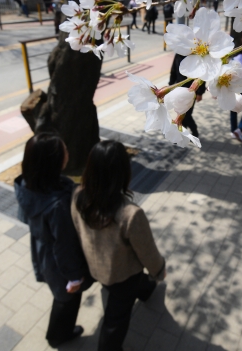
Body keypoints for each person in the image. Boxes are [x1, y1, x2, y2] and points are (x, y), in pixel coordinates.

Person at [71, 140, 166, 351]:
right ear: (123, 172)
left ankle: (148, 289)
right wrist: (159, 270)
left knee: (139, 284)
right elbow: (147, 251)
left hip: (96, 267)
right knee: (116, 319)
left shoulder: (78, 197)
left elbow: (78, 230)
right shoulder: (130, 213)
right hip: (122, 274)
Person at [14, 133, 93, 349]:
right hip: (61, 266)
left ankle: (58, 332)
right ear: (54, 161)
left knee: (62, 296)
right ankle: (58, 335)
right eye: (64, 151)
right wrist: (75, 277)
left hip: (42, 252)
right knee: (67, 298)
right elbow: (64, 246)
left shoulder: (27, 184)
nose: (67, 153)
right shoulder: (57, 205)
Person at [169, 53, 206, 137]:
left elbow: (203, 76)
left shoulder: (196, 56)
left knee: (187, 114)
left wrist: (200, 92)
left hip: (191, 91)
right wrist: (170, 85)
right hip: (179, 91)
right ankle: (181, 133)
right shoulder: (178, 55)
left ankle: (194, 132)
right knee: (182, 113)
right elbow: (173, 71)